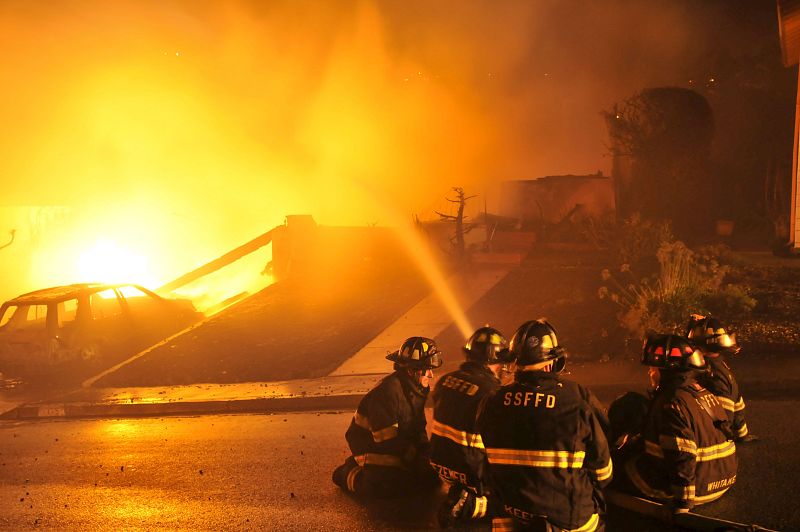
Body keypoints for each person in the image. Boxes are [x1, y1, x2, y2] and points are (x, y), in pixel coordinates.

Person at [477, 319, 612, 532]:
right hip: (568, 520)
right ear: (551, 363)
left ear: (515, 362)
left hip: (511, 514)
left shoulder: (491, 402)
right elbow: (603, 474)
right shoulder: (576, 399)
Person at [621, 333, 737, 515]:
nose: (650, 372)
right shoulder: (701, 392)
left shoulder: (671, 402)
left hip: (699, 489)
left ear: (668, 371)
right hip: (724, 479)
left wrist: (683, 502)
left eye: (653, 368)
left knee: (618, 471)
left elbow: (682, 453)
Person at [332, 336, 442, 497]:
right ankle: (348, 472)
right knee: (390, 487)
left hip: (396, 445)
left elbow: (417, 427)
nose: (431, 374)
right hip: (369, 446)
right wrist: (414, 458)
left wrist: (426, 455)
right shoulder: (388, 392)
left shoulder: (414, 389)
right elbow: (386, 440)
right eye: (427, 369)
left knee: (429, 480)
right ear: (411, 369)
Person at [429, 326, 516, 528]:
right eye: (502, 362)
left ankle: (462, 491)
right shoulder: (492, 393)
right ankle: (472, 503)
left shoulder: (445, 380)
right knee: (515, 500)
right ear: (494, 362)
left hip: (440, 466)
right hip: (472, 472)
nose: (504, 368)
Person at [685, 314, 753, 442]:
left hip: (713, 440)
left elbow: (722, 419)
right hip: (730, 433)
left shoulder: (710, 373)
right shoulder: (721, 366)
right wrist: (741, 434)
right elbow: (737, 404)